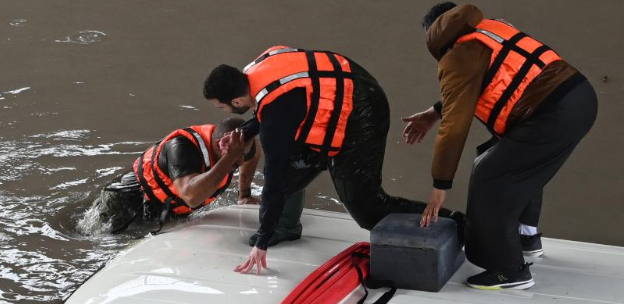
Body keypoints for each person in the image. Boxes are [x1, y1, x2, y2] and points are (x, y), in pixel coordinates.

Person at [204, 47, 455, 275]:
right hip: (340, 99)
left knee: (369, 211)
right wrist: (245, 131)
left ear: (236, 101)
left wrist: (262, 242)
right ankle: (286, 228)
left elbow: (273, 174)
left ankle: (455, 221)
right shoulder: (257, 71)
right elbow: (283, 106)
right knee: (291, 173)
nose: (223, 112)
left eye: (221, 108)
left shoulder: (274, 111)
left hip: (363, 113)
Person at [403, 3, 597, 290]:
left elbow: (455, 124)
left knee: (489, 175)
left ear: (433, 33)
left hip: (551, 114)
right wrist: (432, 112)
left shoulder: (458, 54)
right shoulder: (493, 29)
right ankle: (525, 238)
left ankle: (508, 270)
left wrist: (439, 185)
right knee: (513, 163)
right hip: (579, 98)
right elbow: (488, 81)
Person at [92, 117, 259, 233]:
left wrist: (244, 194)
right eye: (238, 155)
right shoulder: (181, 147)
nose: (242, 160)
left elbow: (255, 153)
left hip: (166, 207)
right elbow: (191, 197)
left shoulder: (240, 150)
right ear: (219, 145)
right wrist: (229, 158)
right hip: (127, 202)